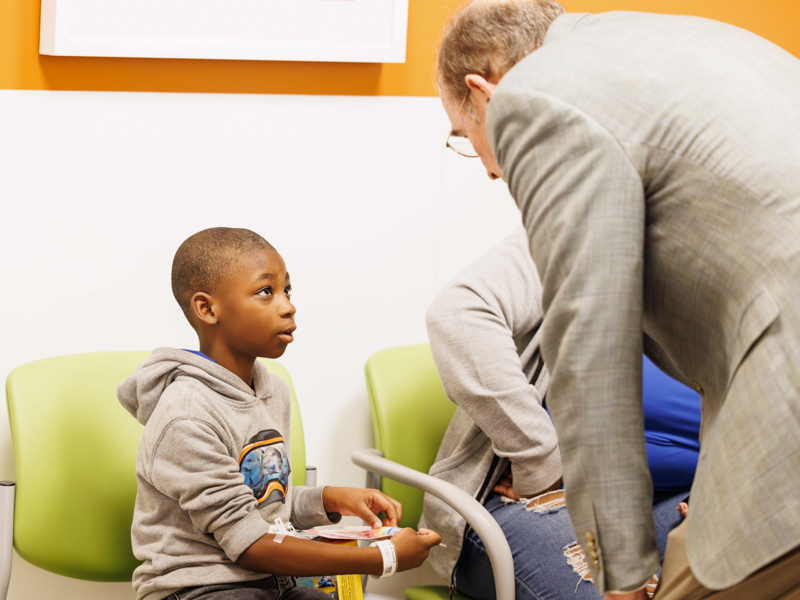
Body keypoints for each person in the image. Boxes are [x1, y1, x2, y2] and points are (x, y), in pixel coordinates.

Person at [435, 1, 800, 598]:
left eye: (464, 133)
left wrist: (623, 576)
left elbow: (591, 360)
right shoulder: (678, 47)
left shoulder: (536, 98)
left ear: (485, 94)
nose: (489, 171)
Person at [117, 227, 441, 600]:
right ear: (207, 308)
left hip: (268, 582)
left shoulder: (273, 391)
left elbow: (268, 509)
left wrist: (331, 499)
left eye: (287, 290)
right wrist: (382, 558)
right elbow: (251, 544)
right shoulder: (186, 416)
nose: (288, 305)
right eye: (265, 292)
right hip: (196, 588)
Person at [419, 228, 701, 600]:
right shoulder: (582, 234)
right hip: (536, 504)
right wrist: (541, 460)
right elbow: (457, 315)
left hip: (678, 498)